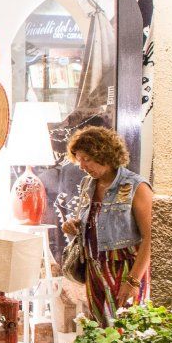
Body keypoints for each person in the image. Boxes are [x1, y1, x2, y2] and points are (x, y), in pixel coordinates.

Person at [61, 126, 153, 325]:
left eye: (86, 158)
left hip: (124, 269)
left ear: (103, 153)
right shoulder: (90, 184)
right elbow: (97, 223)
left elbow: (150, 238)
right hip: (94, 270)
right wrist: (76, 226)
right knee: (100, 331)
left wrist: (133, 281)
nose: (82, 166)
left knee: (127, 331)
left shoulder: (136, 186)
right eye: (79, 159)